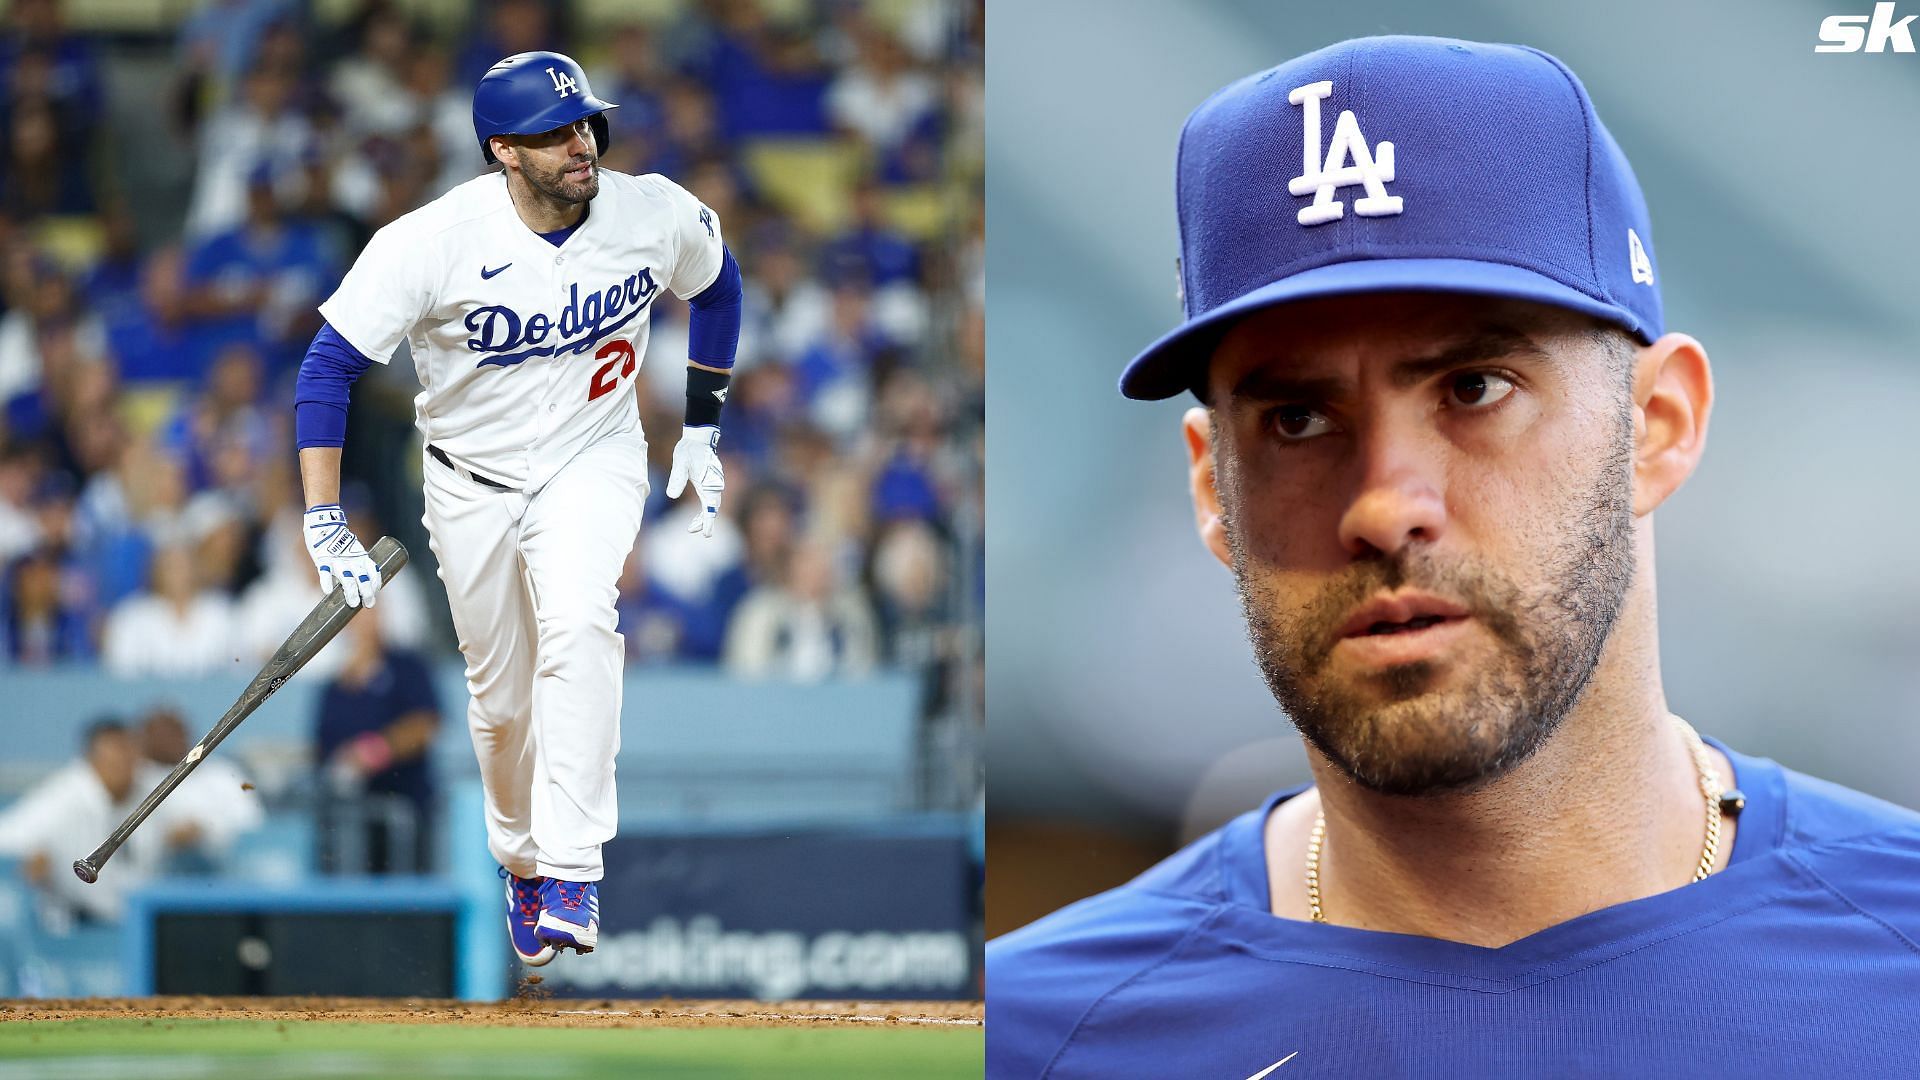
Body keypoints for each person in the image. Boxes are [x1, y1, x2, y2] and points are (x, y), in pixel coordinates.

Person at [986, 37, 1920, 1077]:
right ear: (1213, 489)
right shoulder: (1036, 1037)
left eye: (1475, 389)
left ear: (1659, 423)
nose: (1385, 505)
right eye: (1297, 418)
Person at [291, 51, 741, 967]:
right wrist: (323, 517)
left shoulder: (648, 209)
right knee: (501, 703)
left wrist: (702, 425)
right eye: (553, 134)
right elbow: (327, 367)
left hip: (594, 454)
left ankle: (574, 867)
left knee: (580, 622)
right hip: (467, 478)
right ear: (503, 150)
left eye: (584, 125)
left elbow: (719, 284)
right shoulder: (431, 240)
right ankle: (522, 860)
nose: (581, 145)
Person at [313, 605, 441, 874]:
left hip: (407, 810)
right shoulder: (334, 685)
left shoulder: (407, 667)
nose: (364, 620)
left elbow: (425, 725)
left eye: (370, 610)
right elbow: (323, 749)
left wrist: (376, 751)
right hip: (349, 818)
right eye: (355, 613)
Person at [0, 719, 163, 926]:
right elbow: (6, 838)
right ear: (92, 759)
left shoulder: (147, 789)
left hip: (132, 922)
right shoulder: (63, 797)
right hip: (74, 928)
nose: (125, 765)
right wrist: (26, 857)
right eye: (116, 757)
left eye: (130, 756)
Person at [134, 704, 264, 874]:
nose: (172, 739)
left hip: (224, 872)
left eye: (177, 730)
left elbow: (253, 823)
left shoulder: (225, 772)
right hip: (156, 874)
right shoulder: (135, 778)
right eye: (162, 733)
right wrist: (166, 838)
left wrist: (205, 830)